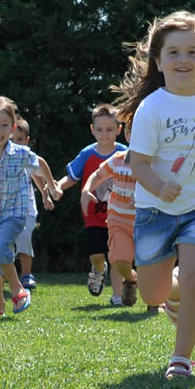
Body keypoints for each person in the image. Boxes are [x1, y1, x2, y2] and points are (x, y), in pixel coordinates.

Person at [112, 10, 195, 379]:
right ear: (158, 60)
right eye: (173, 52)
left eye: (191, 52)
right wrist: (159, 186)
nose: (183, 59)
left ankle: (181, 358)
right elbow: (137, 162)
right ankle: (170, 294)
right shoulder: (152, 108)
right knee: (152, 295)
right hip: (155, 210)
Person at [0, 96, 61, 316]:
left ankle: (18, 289)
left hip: (14, 214)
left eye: (4, 125)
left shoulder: (20, 153)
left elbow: (39, 163)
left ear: (12, 128)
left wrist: (52, 186)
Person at [58, 104, 127, 303]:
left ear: (118, 130)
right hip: (93, 215)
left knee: (118, 256)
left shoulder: (126, 154)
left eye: (109, 129)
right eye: (99, 130)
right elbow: (72, 177)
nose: (104, 134)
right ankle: (98, 269)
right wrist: (57, 187)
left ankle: (117, 295)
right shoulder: (87, 154)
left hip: (120, 216)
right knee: (97, 255)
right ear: (92, 130)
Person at [82, 122, 139, 307]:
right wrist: (86, 190)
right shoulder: (117, 159)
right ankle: (130, 279)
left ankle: (156, 301)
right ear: (128, 135)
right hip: (119, 220)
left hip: (147, 222)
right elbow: (98, 175)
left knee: (151, 264)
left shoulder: (158, 162)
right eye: (134, 132)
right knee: (120, 262)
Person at [10, 114, 54, 292]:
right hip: (5, 209)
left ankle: (27, 274)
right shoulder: (1, 156)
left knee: (25, 237)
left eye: (20, 139)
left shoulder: (27, 157)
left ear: (27, 140)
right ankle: (2, 276)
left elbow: (37, 172)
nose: (16, 143)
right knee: (5, 242)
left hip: (26, 208)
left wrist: (46, 195)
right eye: (13, 139)